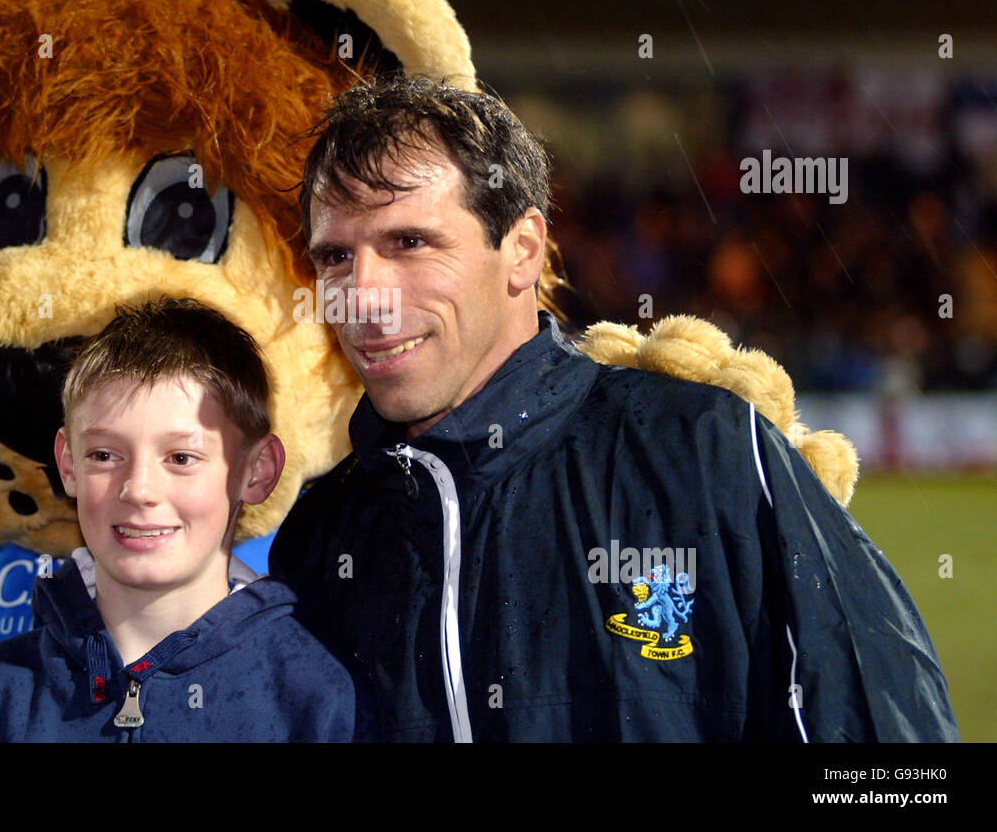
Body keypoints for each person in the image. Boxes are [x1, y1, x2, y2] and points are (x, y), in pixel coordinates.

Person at [268, 75, 961, 742]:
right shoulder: (317, 542)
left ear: (523, 251)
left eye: (409, 243)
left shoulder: (707, 451)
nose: (364, 295)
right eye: (335, 257)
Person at [0, 299, 375, 741]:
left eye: (181, 458)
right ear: (68, 466)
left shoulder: (319, 695)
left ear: (257, 471)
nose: (139, 490)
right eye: (105, 456)